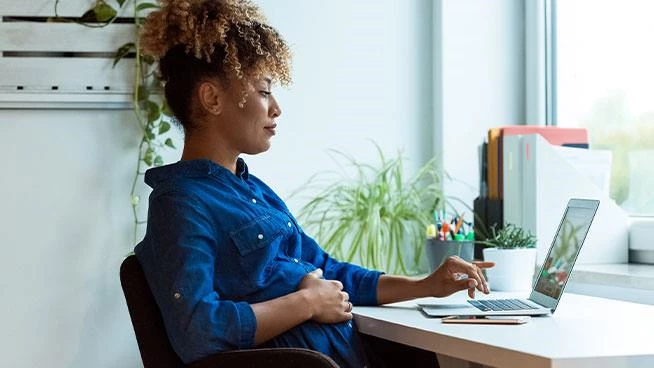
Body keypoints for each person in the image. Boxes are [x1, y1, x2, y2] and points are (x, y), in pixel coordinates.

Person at [135, 1, 493, 367]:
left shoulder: (254, 192)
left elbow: (327, 270)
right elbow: (198, 331)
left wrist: (425, 286)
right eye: (263, 91)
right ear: (212, 98)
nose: (276, 108)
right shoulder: (181, 203)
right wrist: (306, 303)